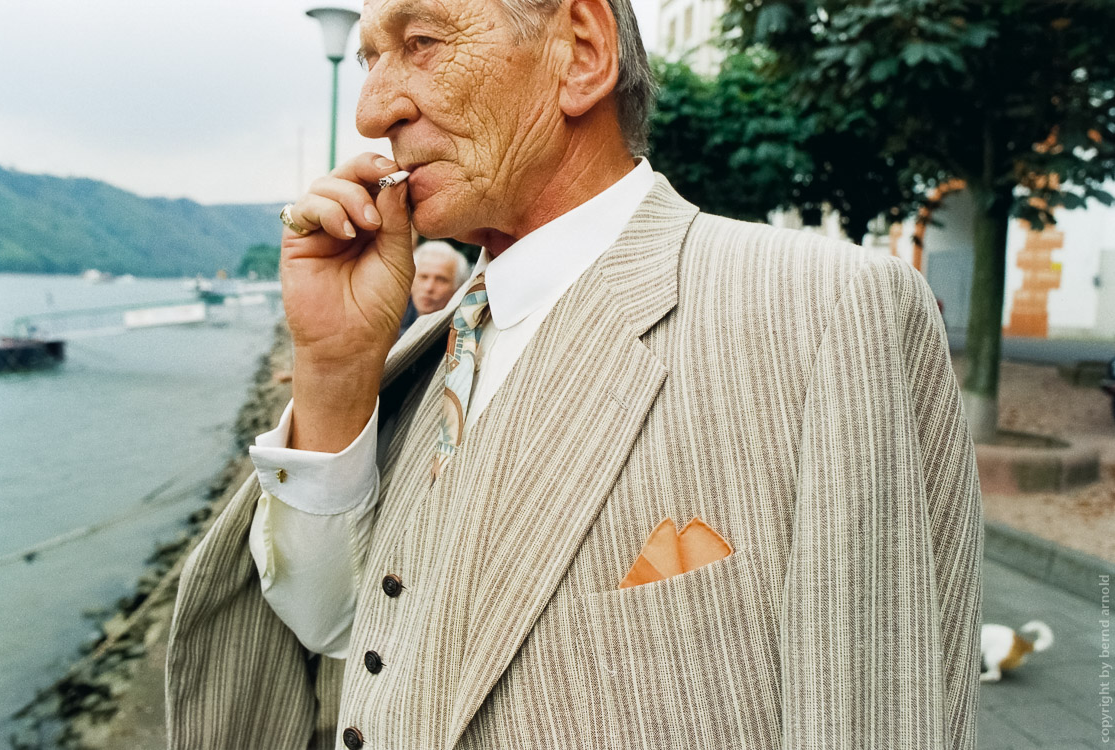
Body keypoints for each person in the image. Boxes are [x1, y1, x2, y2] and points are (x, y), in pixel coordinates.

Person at [166, 0, 983, 746]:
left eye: (420, 42)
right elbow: (340, 629)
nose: (375, 110)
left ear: (581, 52)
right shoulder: (435, 349)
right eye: (372, 56)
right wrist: (335, 368)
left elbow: (877, 712)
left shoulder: (824, 310)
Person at [399, 241, 471, 333]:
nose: (429, 288)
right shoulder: (393, 319)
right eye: (423, 277)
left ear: (457, 287)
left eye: (441, 280)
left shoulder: (465, 332)